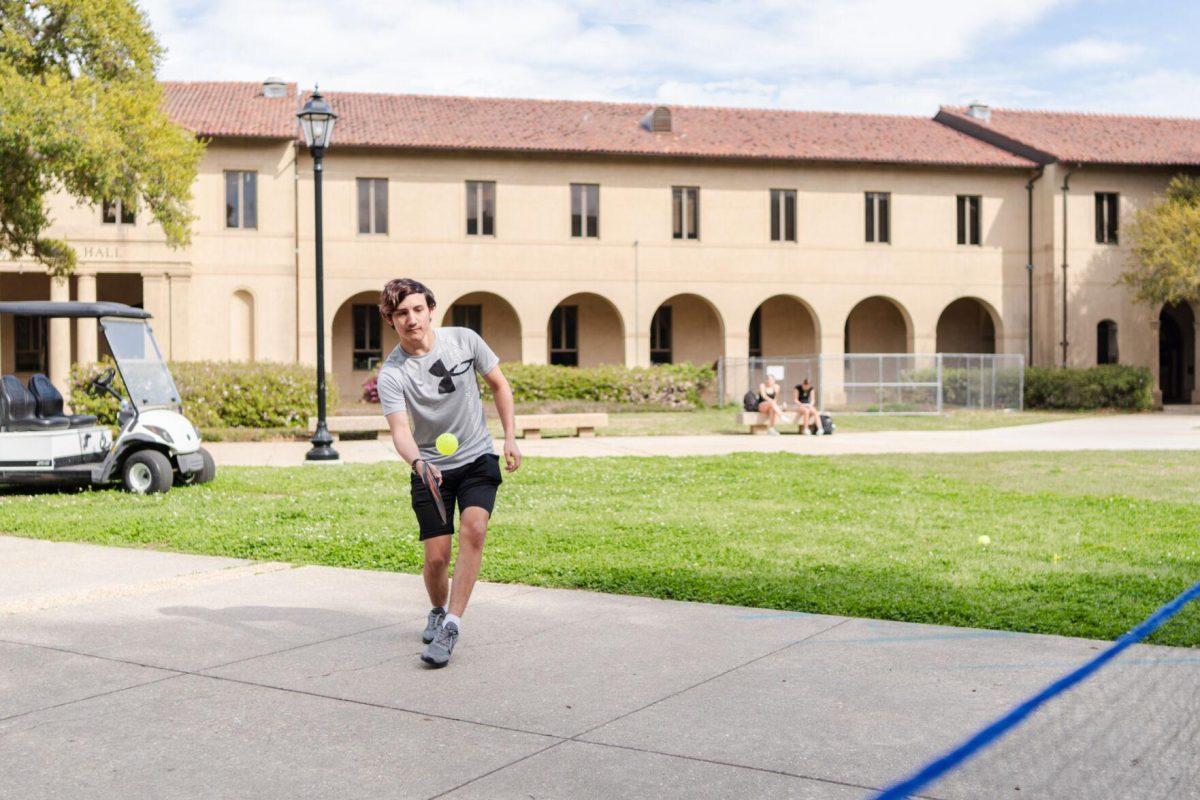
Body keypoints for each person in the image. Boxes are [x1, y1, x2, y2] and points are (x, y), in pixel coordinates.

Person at [375, 278, 521, 668]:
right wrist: (419, 463)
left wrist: (509, 437)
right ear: (390, 320)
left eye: (418, 309)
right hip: (429, 470)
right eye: (401, 313)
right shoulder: (393, 373)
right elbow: (400, 431)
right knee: (437, 559)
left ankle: (452, 624)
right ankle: (438, 610)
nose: (411, 319)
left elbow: (499, 385)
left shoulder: (464, 340)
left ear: (430, 310)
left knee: (475, 529)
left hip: (476, 458)